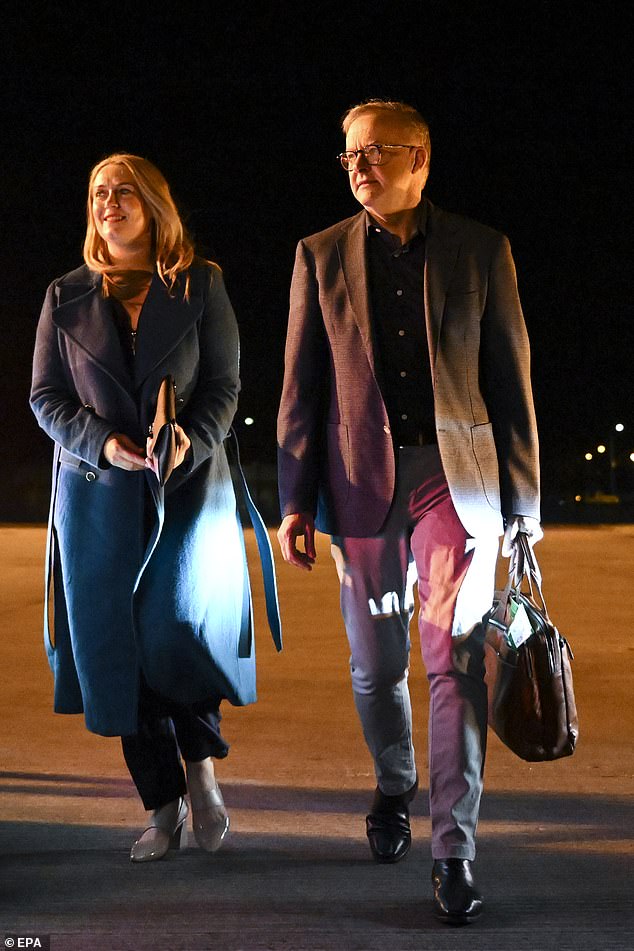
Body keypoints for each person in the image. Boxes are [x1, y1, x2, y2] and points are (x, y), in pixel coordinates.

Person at [277, 100, 542, 924]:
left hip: (452, 486)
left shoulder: (480, 249)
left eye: (377, 151)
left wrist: (524, 507)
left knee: (453, 657)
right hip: (358, 487)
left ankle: (453, 847)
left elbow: (511, 381)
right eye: (350, 153)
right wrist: (294, 500)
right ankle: (395, 781)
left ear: (421, 158)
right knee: (373, 663)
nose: (359, 165)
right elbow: (301, 389)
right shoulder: (318, 255)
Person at [31, 153, 280, 863]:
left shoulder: (202, 285)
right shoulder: (64, 296)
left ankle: (201, 772)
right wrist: (102, 443)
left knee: (178, 635)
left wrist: (190, 443)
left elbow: (225, 388)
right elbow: (45, 397)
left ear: (154, 205)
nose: (108, 201)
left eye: (123, 191)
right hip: (98, 497)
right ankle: (160, 805)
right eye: (98, 192)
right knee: (117, 655)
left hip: (188, 492)